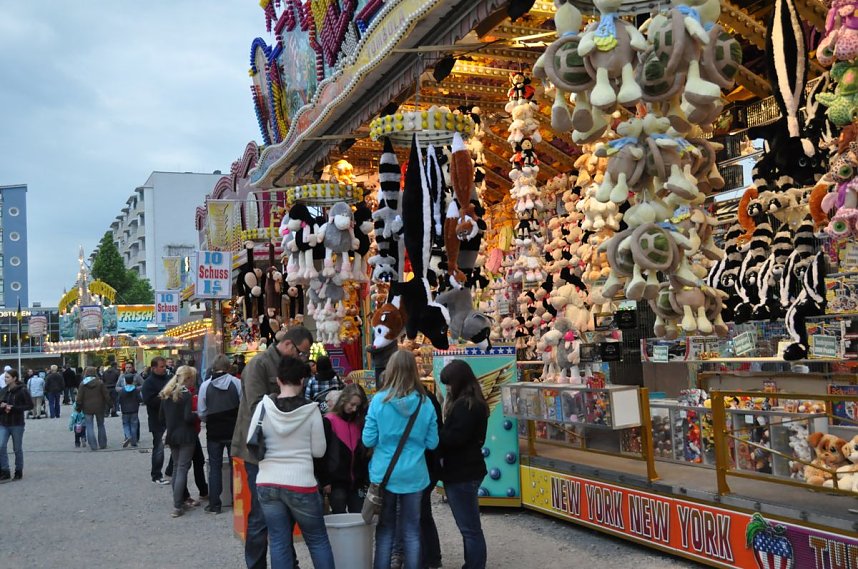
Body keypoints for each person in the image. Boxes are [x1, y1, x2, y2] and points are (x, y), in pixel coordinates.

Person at [231, 325, 313, 569]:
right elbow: (257, 406)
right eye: (301, 352)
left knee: (284, 515)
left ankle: (288, 563)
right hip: (259, 452)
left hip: (284, 452)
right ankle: (256, 565)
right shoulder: (259, 364)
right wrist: (292, 401)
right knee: (260, 515)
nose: (302, 357)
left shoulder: (290, 365)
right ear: (288, 345)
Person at [250, 356, 334, 569]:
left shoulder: (263, 407)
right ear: (302, 380)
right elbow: (318, 451)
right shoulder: (311, 410)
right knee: (317, 540)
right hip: (301, 483)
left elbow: (251, 440)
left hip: (267, 483)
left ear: (278, 380)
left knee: (278, 541)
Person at [362, 350, 439, 569]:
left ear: (390, 370)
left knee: (385, 529)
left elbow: (368, 440)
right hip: (415, 474)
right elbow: (433, 443)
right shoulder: (425, 403)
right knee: (412, 530)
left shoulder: (378, 401)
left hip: (384, 472)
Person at [438, 360, 489, 569]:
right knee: (470, 526)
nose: (447, 388)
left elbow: (453, 439)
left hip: (462, 471)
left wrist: (437, 432)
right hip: (470, 468)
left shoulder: (465, 406)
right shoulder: (475, 402)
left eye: (449, 383)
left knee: (469, 528)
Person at [198, 354, 241, 515]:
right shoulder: (236, 383)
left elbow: (202, 411)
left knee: (214, 467)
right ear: (229, 367)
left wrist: (209, 418)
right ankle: (237, 501)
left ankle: (215, 504)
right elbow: (242, 405)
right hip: (233, 431)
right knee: (235, 466)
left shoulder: (205, 385)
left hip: (214, 432)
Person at [320, 383, 369, 514]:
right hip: (336, 482)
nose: (354, 409)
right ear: (344, 400)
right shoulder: (329, 421)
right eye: (352, 404)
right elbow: (322, 454)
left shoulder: (359, 422)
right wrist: (325, 481)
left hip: (357, 481)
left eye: (357, 406)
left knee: (359, 515)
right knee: (339, 516)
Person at [159, 365, 198, 518]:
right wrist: (197, 415)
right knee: (182, 468)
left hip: (172, 435)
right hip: (186, 435)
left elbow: (161, 416)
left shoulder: (166, 393)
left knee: (176, 468)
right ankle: (177, 505)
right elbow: (188, 417)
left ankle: (178, 503)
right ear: (187, 378)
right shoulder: (186, 394)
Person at [142, 357, 172, 484]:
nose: (165, 368)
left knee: (177, 445)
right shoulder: (148, 383)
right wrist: (164, 396)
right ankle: (156, 475)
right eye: (162, 366)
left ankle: (171, 471)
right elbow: (149, 401)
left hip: (171, 419)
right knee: (159, 448)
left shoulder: (169, 379)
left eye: (165, 366)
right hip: (157, 420)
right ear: (154, 368)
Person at [0, 368, 33, 482]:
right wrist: (2, 406)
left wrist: (14, 408)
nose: (5, 379)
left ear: (14, 378)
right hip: (3, 422)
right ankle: (5, 471)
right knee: (1, 446)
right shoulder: (3, 390)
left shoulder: (22, 390)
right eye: (5, 377)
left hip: (17, 423)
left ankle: (18, 470)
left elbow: (29, 405)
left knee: (17, 448)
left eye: (8, 377)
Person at [76, 366, 109, 450]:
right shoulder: (100, 382)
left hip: (87, 408)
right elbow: (106, 395)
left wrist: (78, 407)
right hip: (99, 407)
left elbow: (79, 397)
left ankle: (93, 445)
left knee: (89, 426)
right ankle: (102, 444)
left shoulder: (83, 384)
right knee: (101, 425)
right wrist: (110, 404)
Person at [118, 376, 143, 448]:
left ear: (125, 381)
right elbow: (140, 399)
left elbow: (119, 400)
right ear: (133, 381)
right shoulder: (135, 390)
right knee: (134, 426)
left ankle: (128, 436)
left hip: (125, 410)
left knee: (125, 424)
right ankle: (134, 442)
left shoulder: (122, 390)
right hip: (134, 410)